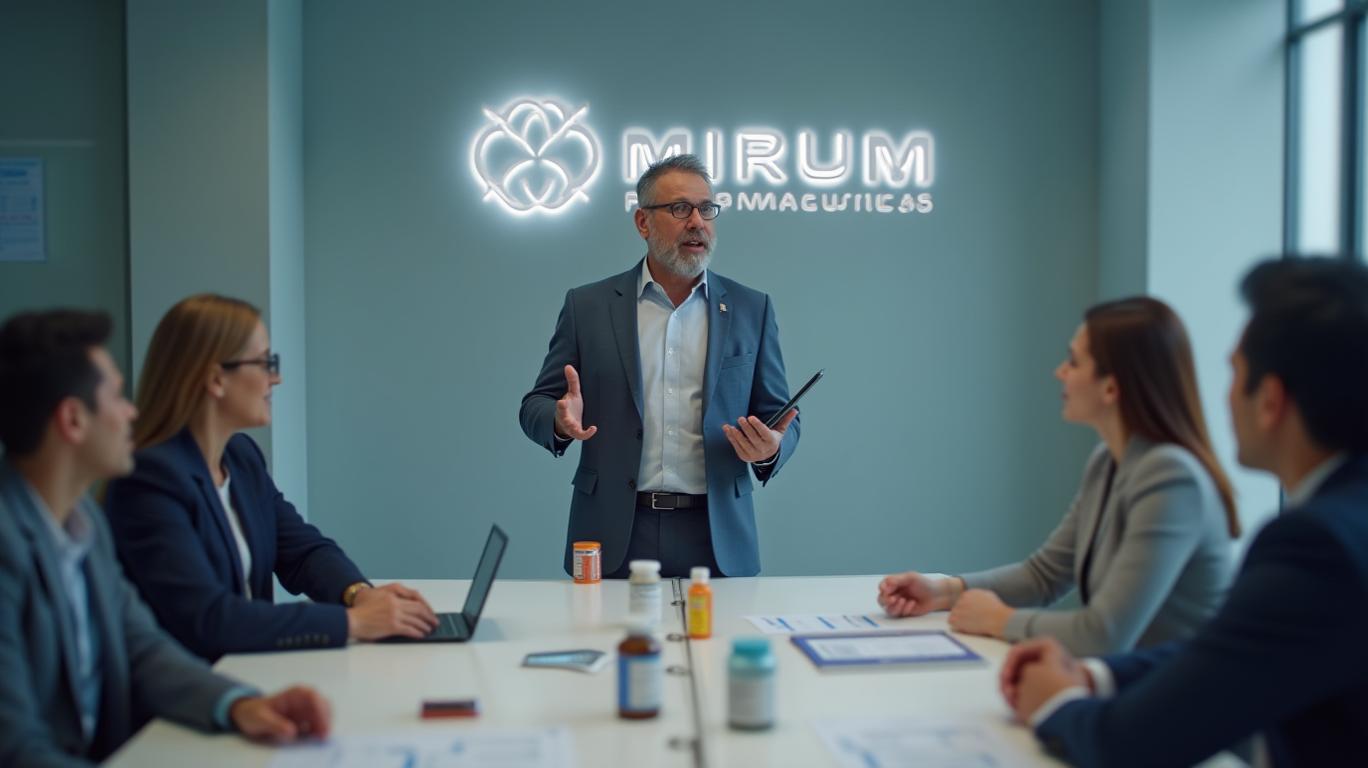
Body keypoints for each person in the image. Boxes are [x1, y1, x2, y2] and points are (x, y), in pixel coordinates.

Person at [1002, 257, 1368, 767]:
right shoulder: (1345, 523)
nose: (1225, 395)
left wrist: (1056, 703)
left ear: (1270, 400)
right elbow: (1234, 650)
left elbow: (1129, 744)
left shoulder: (1315, 547)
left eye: (1234, 373)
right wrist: (1094, 676)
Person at [0, 309, 331, 765]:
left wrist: (239, 705)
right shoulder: (9, 543)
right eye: (117, 397)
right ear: (73, 420)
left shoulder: (83, 524)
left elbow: (143, 649)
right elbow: (14, 746)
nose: (131, 412)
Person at [879, 297, 1238, 655]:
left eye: (1073, 362)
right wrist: (943, 591)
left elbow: (1102, 635)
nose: (1060, 372)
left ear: (1111, 388)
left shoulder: (1171, 478)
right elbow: (1044, 575)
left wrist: (1000, 620)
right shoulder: (1107, 462)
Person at [104, 295, 437, 661]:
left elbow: (304, 551)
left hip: (249, 671)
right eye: (265, 363)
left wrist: (360, 594)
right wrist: (353, 622)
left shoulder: (241, 458)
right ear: (215, 379)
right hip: (195, 688)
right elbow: (209, 618)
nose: (276, 378)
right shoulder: (148, 479)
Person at [520, 154, 800, 578]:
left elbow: (781, 416)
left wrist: (771, 448)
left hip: (717, 533)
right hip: (614, 530)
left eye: (706, 209)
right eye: (680, 208)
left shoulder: (750, 308)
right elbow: (536, 404)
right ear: (642, 222)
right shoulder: (588, 306)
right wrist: (559, 423)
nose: (697, 222)